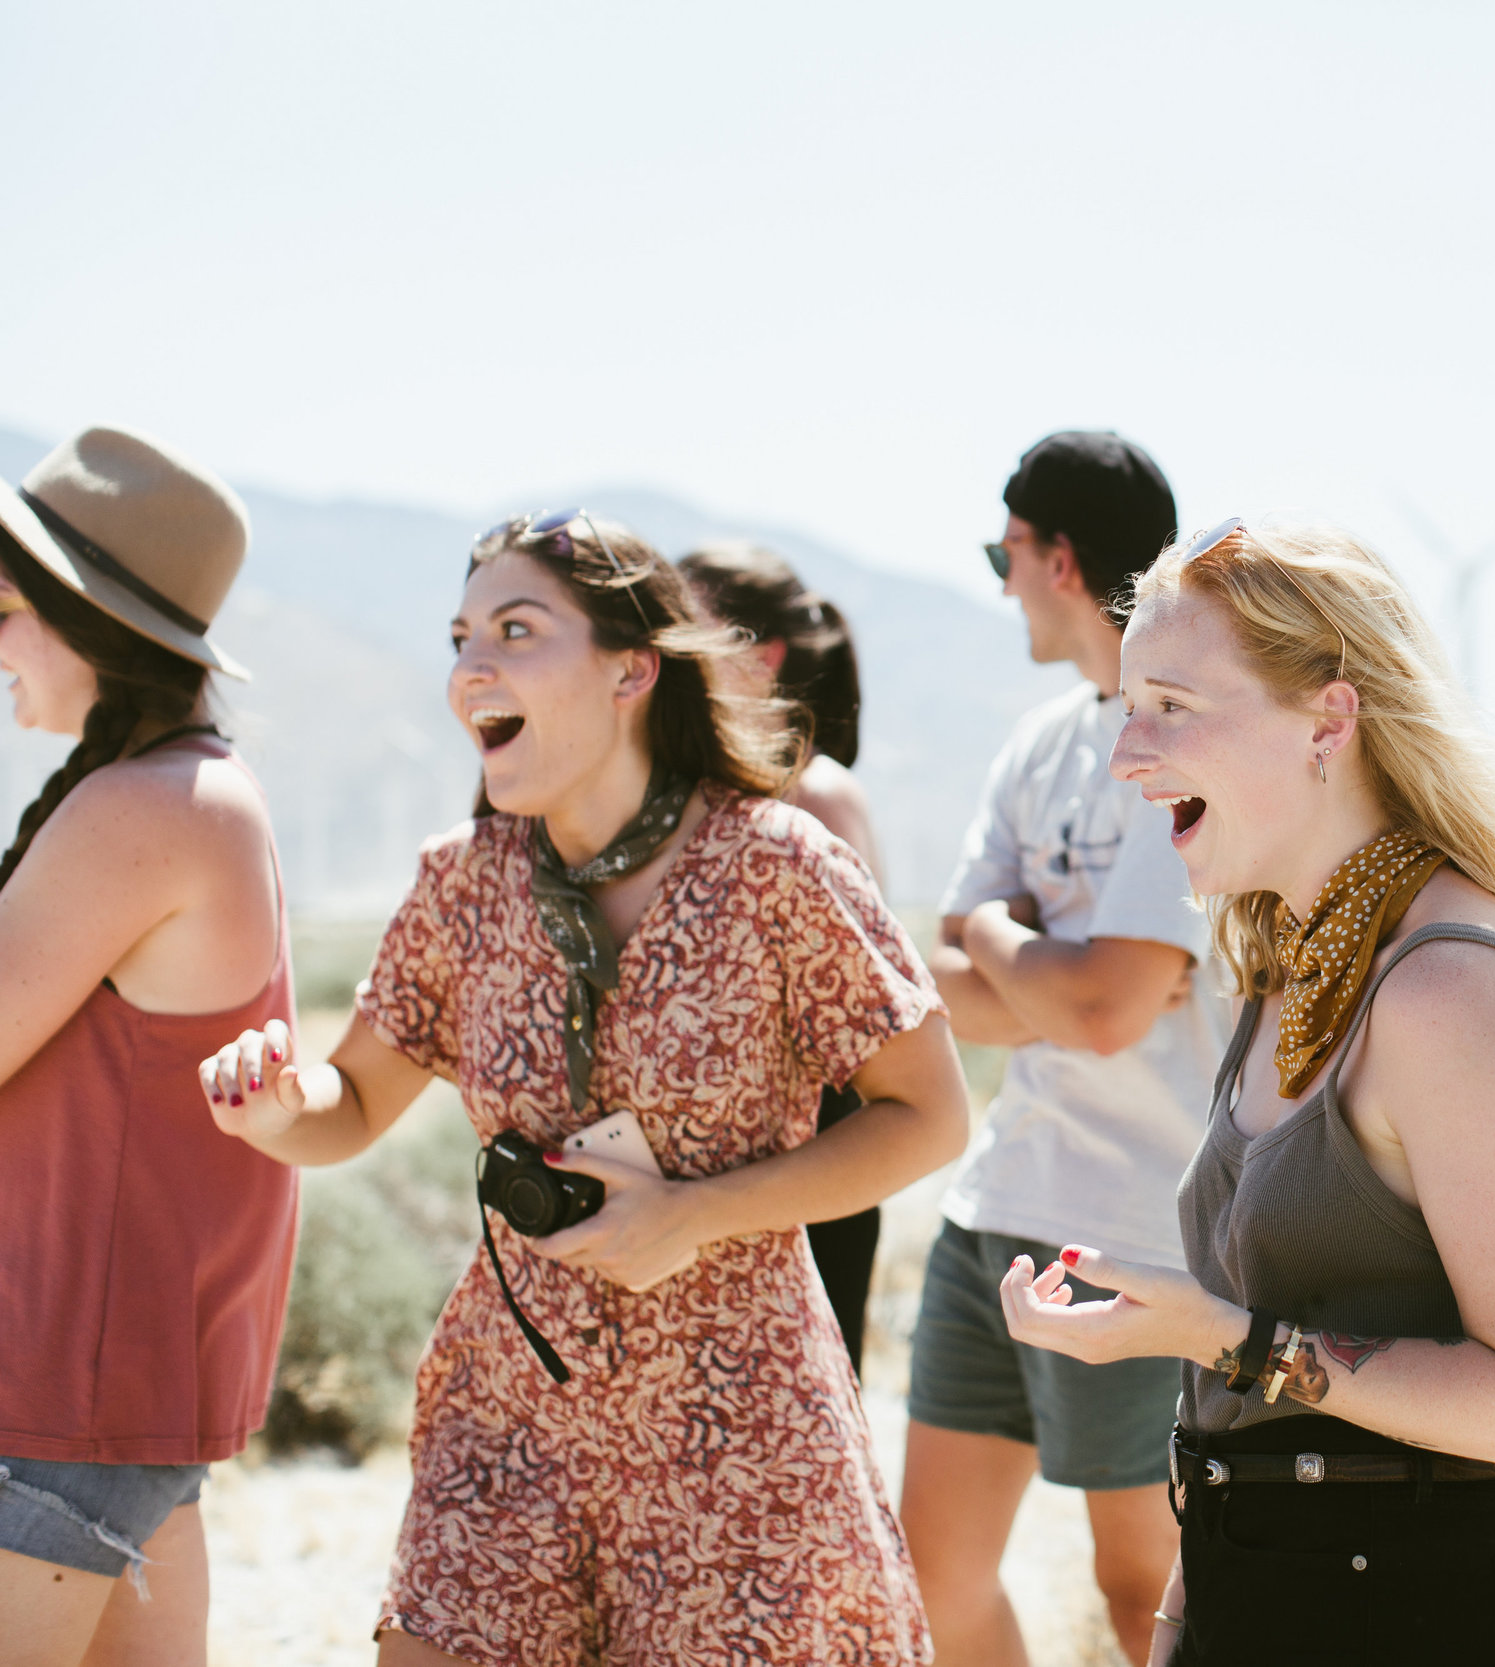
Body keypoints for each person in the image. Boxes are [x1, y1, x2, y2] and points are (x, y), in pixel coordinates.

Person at [198, 510, 969, 1666]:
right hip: (513, 1402)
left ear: (630, 669)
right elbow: (349, 1102)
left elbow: (932, 1116)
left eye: (516, 629)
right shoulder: (462, 886)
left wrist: (700, 1211)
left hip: (736, 1423)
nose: (472, 667)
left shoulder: (779, 865)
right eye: (461, 637)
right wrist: (276, 1104)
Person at [998, 518, 1495, 1666]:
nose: (1128, 753)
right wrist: (1183, 1619)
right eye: (1128, 706)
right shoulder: (1287, 953)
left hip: (1415, 1614)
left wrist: (1222, 1334)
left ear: (1327, 718)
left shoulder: (1448, 988)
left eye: (1171, 704)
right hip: (1261, 1591)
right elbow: (1252, 1418)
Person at [909, 432, 1221, 1666]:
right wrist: (1037, 963)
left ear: (1059, 557)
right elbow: (943, 988)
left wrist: (1003, 937)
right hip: (991, 1212)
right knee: (929, 1569)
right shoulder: (1036, 746)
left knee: (1140, 1578)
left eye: (1006, 553)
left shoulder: (1185, 742)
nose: (999, 583)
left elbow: (1105, 1010)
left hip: (1135, 1228)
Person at [0, 426, 295, 1666]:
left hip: (67, 1384)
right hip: (118, 1390)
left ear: (88, 622)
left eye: (8, 610)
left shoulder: (141, 808)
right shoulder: (186, 787)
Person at [679, 540, 885, 1375]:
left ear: (762, 657)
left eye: (683, 629)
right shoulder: (679, 794)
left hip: (817, 1157)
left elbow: (868, 1009)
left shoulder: (820, 795)